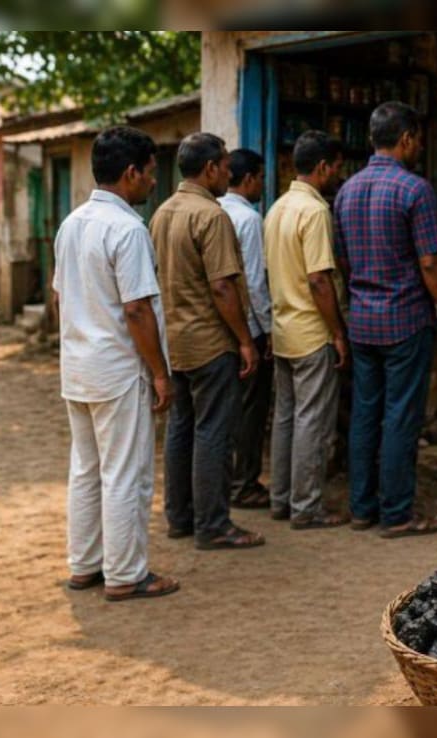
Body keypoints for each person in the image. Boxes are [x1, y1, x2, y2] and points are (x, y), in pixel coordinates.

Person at [53, 126, 179, 601]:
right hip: (118, 368)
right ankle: (126, 574)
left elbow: (60, 297)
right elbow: (137, 309)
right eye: (149, 173)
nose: (152, 182)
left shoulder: (72, 224)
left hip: (79, 366)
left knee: (86, 469)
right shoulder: (127, 229)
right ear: (130, 174)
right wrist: (160, 372)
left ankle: (85, 565)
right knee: (125, 471)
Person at [334, 100, 437, 537]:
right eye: (417, 140)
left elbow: (344, 261)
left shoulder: (346, 190)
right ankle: (397, 514)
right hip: (405, 320)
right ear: (406, 139)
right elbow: (430, 263)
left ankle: (362, 507)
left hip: (363, 322)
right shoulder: (415, 190)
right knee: (401, 415)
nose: (417, 147)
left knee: (365, 414)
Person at [150, 132, 264, 551]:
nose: (229, 172)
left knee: (181, 428)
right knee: (215, 431)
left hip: (175, 339)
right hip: (211, 341)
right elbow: (222, 287)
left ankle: (180, 517)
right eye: (225, 164)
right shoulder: (212, 216)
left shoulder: (163, 211)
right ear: (211, 168)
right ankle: (214, 525)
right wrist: (245, 341)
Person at [262, 130, 350, 529]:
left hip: (283, 328)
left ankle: (281, 499)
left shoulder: (278, 207)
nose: (338, 174)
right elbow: (319, 280)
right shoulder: (314, 212)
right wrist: (337, 332)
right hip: (311, 331)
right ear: (322, 167)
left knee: (285, 418)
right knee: (312, 422)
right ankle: (306, 507)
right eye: (336, 167)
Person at [218, 148, 274, 510]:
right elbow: (253, 281)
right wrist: (265, 329)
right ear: (250, 178)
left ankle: (228, 483)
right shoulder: (248, 219)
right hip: (247, 327)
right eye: (261, 178)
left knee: (225, 412)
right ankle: (245, 483)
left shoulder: (215, 210)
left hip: (218, 326)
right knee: (251, 412)